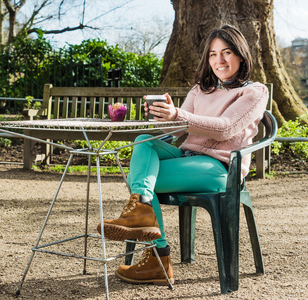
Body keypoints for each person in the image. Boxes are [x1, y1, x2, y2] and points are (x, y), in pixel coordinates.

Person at [97, 25, 269, 285]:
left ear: (241, 56)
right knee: (144, 141)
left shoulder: (253, 92)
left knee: (140, 177)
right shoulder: (201, 89)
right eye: (212, 54)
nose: (218, 60)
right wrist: (164, 114)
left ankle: (157, 255)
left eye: (226, 53)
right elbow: (177, 129)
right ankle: (145, 214)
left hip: (220, 168)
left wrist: (178, 115)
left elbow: (226, 129)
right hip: (187, 157)